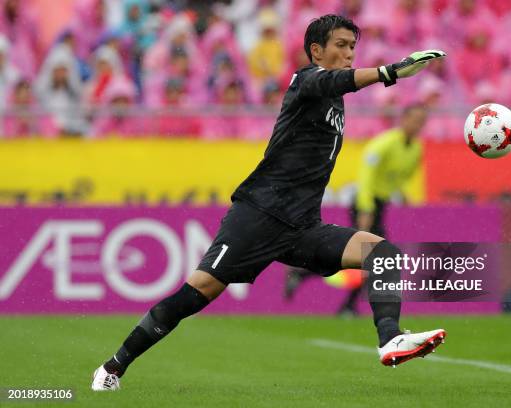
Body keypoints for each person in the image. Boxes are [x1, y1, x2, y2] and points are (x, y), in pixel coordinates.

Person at [91, 14, 447, 391]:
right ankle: (112, 367)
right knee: (199, 292)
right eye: (340, 46)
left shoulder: (335, 101)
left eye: (352, 48)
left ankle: (390, 338)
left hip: (303, 226)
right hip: (258, 214)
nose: (348, 55)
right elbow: (336, 79)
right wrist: (389, 72)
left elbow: (340, 84)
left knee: (383, 252)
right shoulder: (305, 80)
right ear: (316, 50)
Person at [285, 104, 428, 315]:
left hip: (380, 204)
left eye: (422, 121)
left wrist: (403, 193)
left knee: (360, 256)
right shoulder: (384, 143)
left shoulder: (416, 148)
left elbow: (401, 176)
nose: (418, 125)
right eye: (415, 120)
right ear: (404, 119)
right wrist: (365, 209)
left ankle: (305, 275)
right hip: (365, 202)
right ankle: (349, 307)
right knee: (377, 257)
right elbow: (366, 177)